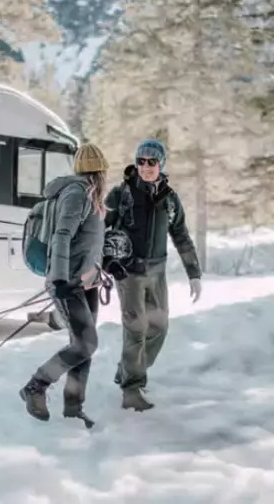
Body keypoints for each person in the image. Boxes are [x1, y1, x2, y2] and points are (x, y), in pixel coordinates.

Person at [104, 138, 202, 412]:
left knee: (159, 328)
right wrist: (105, 261)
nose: (146, 167)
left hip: (157, 273)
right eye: (141, 161)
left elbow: (181, 236)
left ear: (161, 164)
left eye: (152, 162)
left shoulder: (169, 199)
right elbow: (99, 229)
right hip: (128, 273)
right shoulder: (121, 194)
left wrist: (194, 273)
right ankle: (132, 390)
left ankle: (128, 371)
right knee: (136, 329)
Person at [19, 142, 110, 425]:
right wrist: (59, 278)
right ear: (100, 171)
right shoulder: (76, 193)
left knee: (82, 347)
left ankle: (73, 409)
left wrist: (107, 265)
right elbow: (61, 236)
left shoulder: (92, 195)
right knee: (86, 344)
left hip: (87, 281)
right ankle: (36, 386)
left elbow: (88, 241)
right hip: (67, 282)